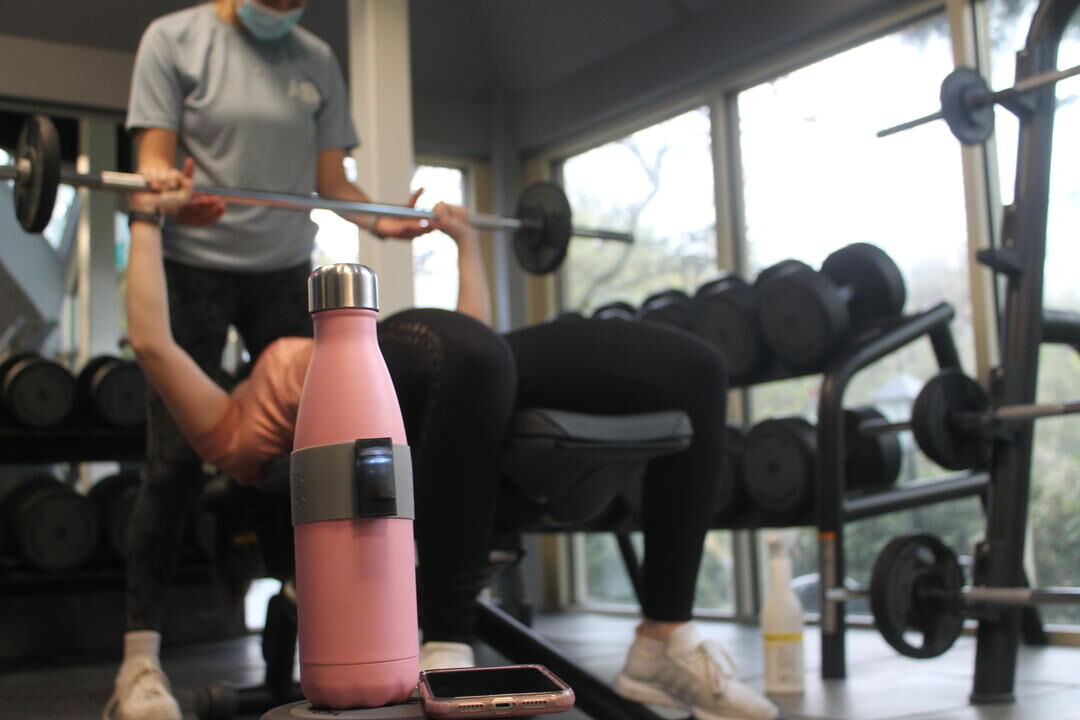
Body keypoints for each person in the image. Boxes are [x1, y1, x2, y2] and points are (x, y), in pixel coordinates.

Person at [109, 164, 780, 720]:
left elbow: (479, 351)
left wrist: (465, 243)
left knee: (696, 369)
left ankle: (664, 637)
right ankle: (446, 638)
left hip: (449, 366)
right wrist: (144, 218)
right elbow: (152, 340)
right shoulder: (230, 432)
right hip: (424, 367)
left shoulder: (442, 356)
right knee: (475, 357)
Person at [119, 2, 432, 718]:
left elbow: (333, 180)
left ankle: (310, 650)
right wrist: (165, 195)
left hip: (285, 271)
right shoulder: (174, 41)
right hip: (194, 263)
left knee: (314, 465)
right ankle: (138, 665)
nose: (286, 8)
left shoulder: (316, 59)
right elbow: (154, 164)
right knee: (170, 463)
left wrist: (377, 218)